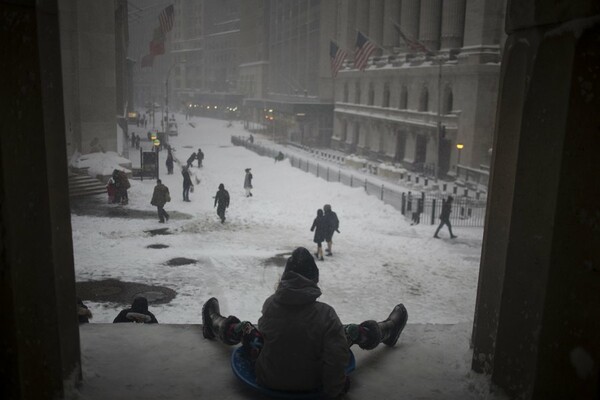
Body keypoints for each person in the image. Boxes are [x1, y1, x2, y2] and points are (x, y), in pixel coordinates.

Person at [202, 247, 408, 398]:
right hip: (313, 382)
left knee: (247, 328)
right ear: (314, 281)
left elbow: (269, 338)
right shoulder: (326, 315)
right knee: (348, 332)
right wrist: (337, 388)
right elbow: (336, 359)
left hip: (269, 379)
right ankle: (387, 330)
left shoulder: (270, 305)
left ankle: (214, 323)